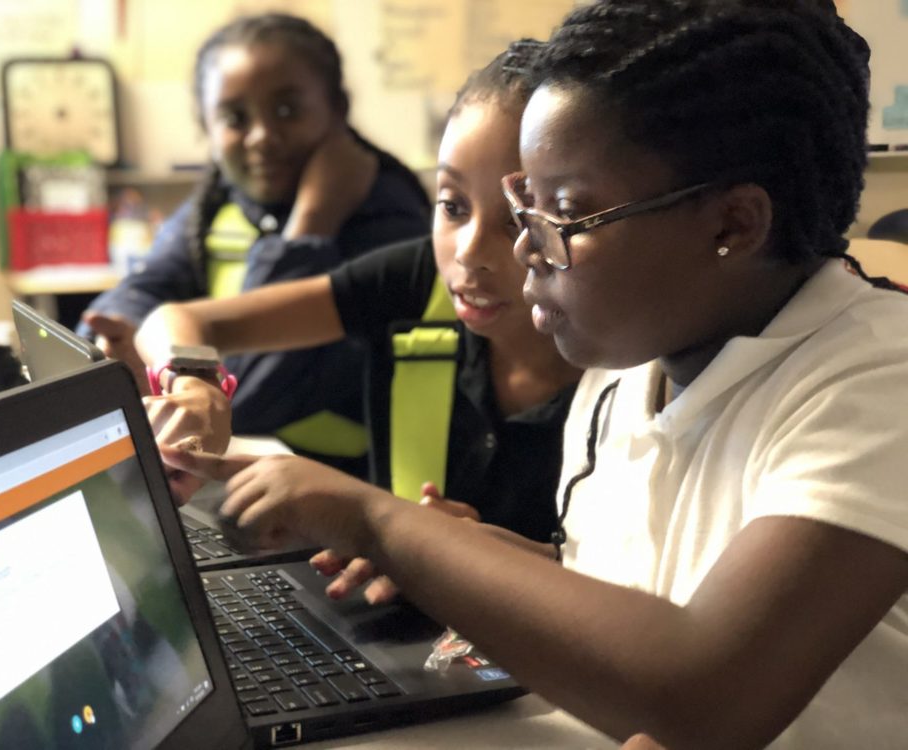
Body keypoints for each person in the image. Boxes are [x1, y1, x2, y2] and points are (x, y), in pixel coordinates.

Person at [162, 2, 908, 748]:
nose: (520, 251)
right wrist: (446, 555)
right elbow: (630, 584)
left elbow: (703, 696)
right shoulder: (629, 368)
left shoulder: (877, 380)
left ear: (733, 226)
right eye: (526, 205)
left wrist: (378, 520)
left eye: (560, 214)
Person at [136, 42, 581, 551]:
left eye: (516, 218)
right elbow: (175, 319)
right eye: (452, 205)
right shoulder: (416, 280)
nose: (470, 252)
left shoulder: (624, 360)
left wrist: (457, 551)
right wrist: (195, 383)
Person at [79, 12, 430, 480]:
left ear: (338, 108)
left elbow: (249, 397)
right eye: (235, 118)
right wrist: (124, 340)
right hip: (237, 466)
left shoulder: (388, 219)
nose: (262, 136)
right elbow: (142, 292)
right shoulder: (218, 205)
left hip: (343, 483)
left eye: (287, 111)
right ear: (205, 126)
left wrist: (310, 224)